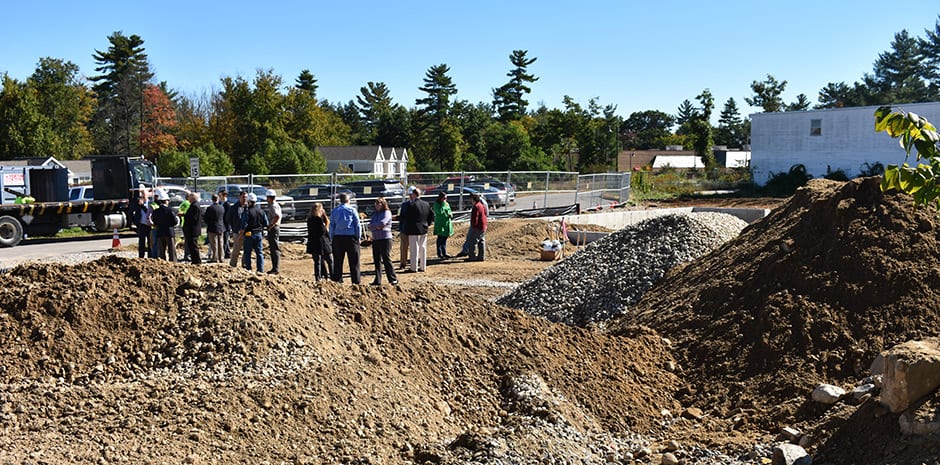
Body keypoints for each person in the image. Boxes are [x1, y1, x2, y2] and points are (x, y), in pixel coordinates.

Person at [329, 192, 362, 284]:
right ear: (348, 200)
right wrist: (358, 237)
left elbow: (332, 226)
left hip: (338, 238)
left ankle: (338, 281)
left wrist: (332, 238)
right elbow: (357, 225)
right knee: (354, 261)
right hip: (351, 238)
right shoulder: (352, 210)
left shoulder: (335, 211)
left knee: (338, 261)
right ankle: (356, 282)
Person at [402, 187, 434, 273]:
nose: (410, 196)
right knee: (423, 248)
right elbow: (431, 215)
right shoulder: (426, 204)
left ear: (414, 194)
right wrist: (428, 224)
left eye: (410, 195)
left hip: (413, 229)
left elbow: (406, 217)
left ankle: (413, 267)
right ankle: (423, 266)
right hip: (423, 228)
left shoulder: (411, 205)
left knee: (414, 249)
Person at [368, 197, 398, 286]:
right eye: (376, 204)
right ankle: (378, 280)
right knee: (376, 260)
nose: (377, 205)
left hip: (385, 239)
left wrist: (375, 226)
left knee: (386, 259)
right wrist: (375, 226)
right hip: (376, 239)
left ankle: (393, 279)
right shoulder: (375, 214)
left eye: (379, 203)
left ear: (383, 204)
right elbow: (370, 225)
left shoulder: (387, 213)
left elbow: (382, 223)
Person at [241, 193, 268, 273]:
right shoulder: (261, 211)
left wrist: (241, 232)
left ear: (248, 201)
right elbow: (266, 223)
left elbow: (244, 224)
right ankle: (260, 270)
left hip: (249, 234)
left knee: (247, 253)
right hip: (259, 234)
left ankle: (248, 269)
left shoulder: (247, 212)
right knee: (259, 252)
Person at [306, 202, 333, 281]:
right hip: (322, 242)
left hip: (313, 243)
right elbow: (323, 231)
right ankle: (333, 276)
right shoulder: (318, 220)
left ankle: (318, 277)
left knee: (317, 261)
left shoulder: (309, 219)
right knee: (330, 260)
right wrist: (326, 223)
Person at [151, 189, 178, 262]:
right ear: (166, 201)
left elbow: (154, 221)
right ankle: (173, 263)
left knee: (161, 251)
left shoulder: (156, 211)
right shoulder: (170, 210)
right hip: (169, 232)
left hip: (160, 232)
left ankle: (162, 263)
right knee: (171, 250)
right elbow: (174, 221)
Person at [464, 192, 488, 261]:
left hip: (477, 227)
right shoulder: (481, 205)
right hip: (483, 225)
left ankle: (472, 257)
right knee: (481, 241)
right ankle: (481, 256)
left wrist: (473, 226)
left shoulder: (476, 206)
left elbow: (475, 218)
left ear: (473, 199)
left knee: (472, 242)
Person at [227, 191, 248, 267]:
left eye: (246, 197)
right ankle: (232, 265)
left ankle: (244, 265)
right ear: (239, 197)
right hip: (237, 232)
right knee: (236, 249)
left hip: (247, 232)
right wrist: (234, 228)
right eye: (243, 197)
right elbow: (229, 218)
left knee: (246, 250)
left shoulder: (248, 207)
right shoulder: (234, 207)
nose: (244, 199)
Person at [129, 191, 153, 259]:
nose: (142, 197)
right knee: (141, 242)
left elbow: (148, 212)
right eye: (141, 196)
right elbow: (130, 212)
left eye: (143, 195)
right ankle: (141, 256)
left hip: (149, 225)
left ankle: (150, 256)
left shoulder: (150, 203)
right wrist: (135, 221)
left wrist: (142, 205)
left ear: (147, 195)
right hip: (141, 225)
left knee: (150, 242)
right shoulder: (137, 204)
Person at [432, 191, 454, 260]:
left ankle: (444, 253)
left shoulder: (446, 204)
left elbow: (450, 210)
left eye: (446, 198)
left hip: (446, 223)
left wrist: (450, 214)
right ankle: (439, 253)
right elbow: (440, 213)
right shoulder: (436, 205)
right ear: (440, 198)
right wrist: (446, 211)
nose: (445, 200)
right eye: (444, 198)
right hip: (440, 223)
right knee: (440, 239)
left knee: (444, 238)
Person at [182, 192, 203, 265]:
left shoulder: (195, 206)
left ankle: (197, 261)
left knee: (193, 246)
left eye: (190, 197)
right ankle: (194, 260)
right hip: (192, 229)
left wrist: (185, 215)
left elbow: (193, 218)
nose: (188, 199)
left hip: (192, 230)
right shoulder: (194, 205)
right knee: (191, 246)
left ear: (193, 198)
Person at [204, 193, 225, 263]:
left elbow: (206, 218)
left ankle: (215, 258)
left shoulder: (210, 208)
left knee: (214, 243)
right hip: (221, 227)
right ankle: (221, 257)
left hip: (212, 227)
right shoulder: (222, 207)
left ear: (212, 199)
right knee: (221, 243)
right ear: (218, 199)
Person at [397, 186, 415, 270]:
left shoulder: (419, 204)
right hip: (405, 229)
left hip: (414, 229)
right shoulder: (404, 205)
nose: (411, 196)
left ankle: (413, 262)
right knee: (403, 247)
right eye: (410, 194)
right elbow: (401, 217)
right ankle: (403, 263)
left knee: (414, 247)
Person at [265, 189, 282, 275]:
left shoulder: (273, 206)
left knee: (274, 248)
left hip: (274, 228)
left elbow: (277, 216)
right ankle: (274, 267)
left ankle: (276, 268)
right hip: (274, 228)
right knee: (273, 248)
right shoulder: (275, 205)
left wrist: (271, 224)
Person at [218, 190, 231, 259]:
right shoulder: (220, 203)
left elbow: (228, 216)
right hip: (221, 224)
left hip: (226, 225)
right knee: (224, 240)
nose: (219, 197)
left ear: (224, 196)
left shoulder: (227, 205)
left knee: (225, 240)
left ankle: (225, 253)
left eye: (220, 195)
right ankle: (228, 253)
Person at [178, 194, 192, 262]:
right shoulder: (188, 204)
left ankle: (187, 255)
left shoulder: (182, 203)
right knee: (189, 241)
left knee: (187, 240)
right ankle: (188, 255)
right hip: (188, 224)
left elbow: (180, 212)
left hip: (183, 223)